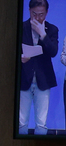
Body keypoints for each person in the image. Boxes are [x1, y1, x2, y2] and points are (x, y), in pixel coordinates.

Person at [21, 0, 58, 134]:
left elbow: (53, 52)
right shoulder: (21, 27)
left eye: (41, 14)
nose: (37, 18)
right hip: (23, 78)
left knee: (41, 124)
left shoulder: (52, 29)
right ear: (29, 10)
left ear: (46, 12)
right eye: (34, 14)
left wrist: (43, 34)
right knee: (21, 122)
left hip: (43, 80)